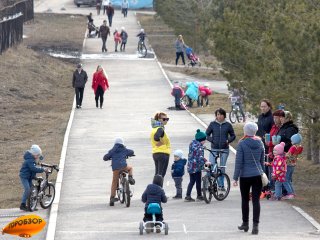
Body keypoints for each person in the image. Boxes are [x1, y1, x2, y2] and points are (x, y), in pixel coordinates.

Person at [233, 122, 265, 235]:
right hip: (257, 175)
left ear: (246, 131)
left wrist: (235, 178)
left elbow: (239, 162)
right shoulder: (260, 142)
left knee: (245, 200)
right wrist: (263, 174)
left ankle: (245, 223)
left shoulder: (242, 143)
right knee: (256, 200)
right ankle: (255, 226)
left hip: (245, 176)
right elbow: (262, 161)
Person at [206, 108, 236, 189]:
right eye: (217, 114)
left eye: (221, 114)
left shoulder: (228, 125)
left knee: (222, 168)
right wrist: (212, 140)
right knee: (211, 166)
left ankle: (221, 185)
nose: (219, 116)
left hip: (224, 149)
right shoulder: (212, 124)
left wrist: (228, 141)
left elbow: (233, 135)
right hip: (214, 148)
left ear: (224, 115)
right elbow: (207, 134)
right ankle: (208, 183)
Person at [103, 137, 135, 206]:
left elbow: (105, 157)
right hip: (124, 166)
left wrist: (108, 157)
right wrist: (129, 154)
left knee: (114, 181)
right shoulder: (124, 149)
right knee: (130, 168)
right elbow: (131, 151)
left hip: (116, 168)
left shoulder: (112, 150)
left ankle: (112, 198)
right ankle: (130, 178)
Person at [19, 145, 47, 211]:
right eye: (37, 155)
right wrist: (42, 169)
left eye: (38, 155)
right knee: (27, 189)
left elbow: (32, 169)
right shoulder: (29, 160)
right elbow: (33, 169)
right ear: (33, 154)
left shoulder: (32, 159)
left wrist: (34, 177)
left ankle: (32, 206)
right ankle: (22, 205)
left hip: (29, 177)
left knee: (32, 190)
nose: (38, 157)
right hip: (24, 177)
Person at [185, 129, 207, 202]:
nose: (205, 142)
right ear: (202, 140)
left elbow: (195, 152)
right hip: (196, 167)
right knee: (198, 181)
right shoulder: (200, 147)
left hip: (190, 166)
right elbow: (199, 157)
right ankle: (199, 195)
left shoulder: (192, 143)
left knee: (192, 181)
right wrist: (205, 163)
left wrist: (202, 147)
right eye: (204, 140)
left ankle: (188, 196)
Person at [282, 133, 303, 199]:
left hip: (288, 164)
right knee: (289, 180)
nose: (291, 141)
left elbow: (288, 155)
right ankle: (292, 193)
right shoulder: (299, 147)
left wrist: (284, 154)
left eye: (292, 140)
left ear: (295, 141)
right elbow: (294, 154)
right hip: (293, 164)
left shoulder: (293, 147)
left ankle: (290, 193)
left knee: (285, 180)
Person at [150, 112, 171, 178]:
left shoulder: (154, 128)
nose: (166, 121)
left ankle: (153, 188)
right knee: (161, 175)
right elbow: (156, 137)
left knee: (157, 174)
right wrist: (160, 143)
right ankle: (158, 188)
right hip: (163, 153)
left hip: (155, 153)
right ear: (159, 119)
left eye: (167, 119)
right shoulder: (160, 129)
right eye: (164, 119)